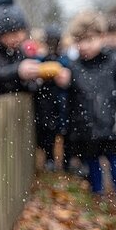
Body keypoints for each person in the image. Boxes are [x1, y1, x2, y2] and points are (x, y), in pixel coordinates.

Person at [57, 11, 116, 206]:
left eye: (89, 40)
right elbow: (71, 97)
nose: (84, 46)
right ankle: (97, 194)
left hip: (111, 123)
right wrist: (64, 85)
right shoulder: (74, 66)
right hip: (86, 125)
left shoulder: (115, 61)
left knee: (115, 160)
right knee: (92, 162)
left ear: (101, 37)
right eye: (79, 41)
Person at [0, 0, 39, 96]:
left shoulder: (20, 51)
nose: (14, 39)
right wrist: (17, 72)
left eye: (17, 33)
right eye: (7, 35)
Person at [33, 25, 69, 171]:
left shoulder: (64, 59)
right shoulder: (41, 58)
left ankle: (63, 163)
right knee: (48, 132)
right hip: (46, 100)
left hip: (59, 100)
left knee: (61, 131)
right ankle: (50, 159)